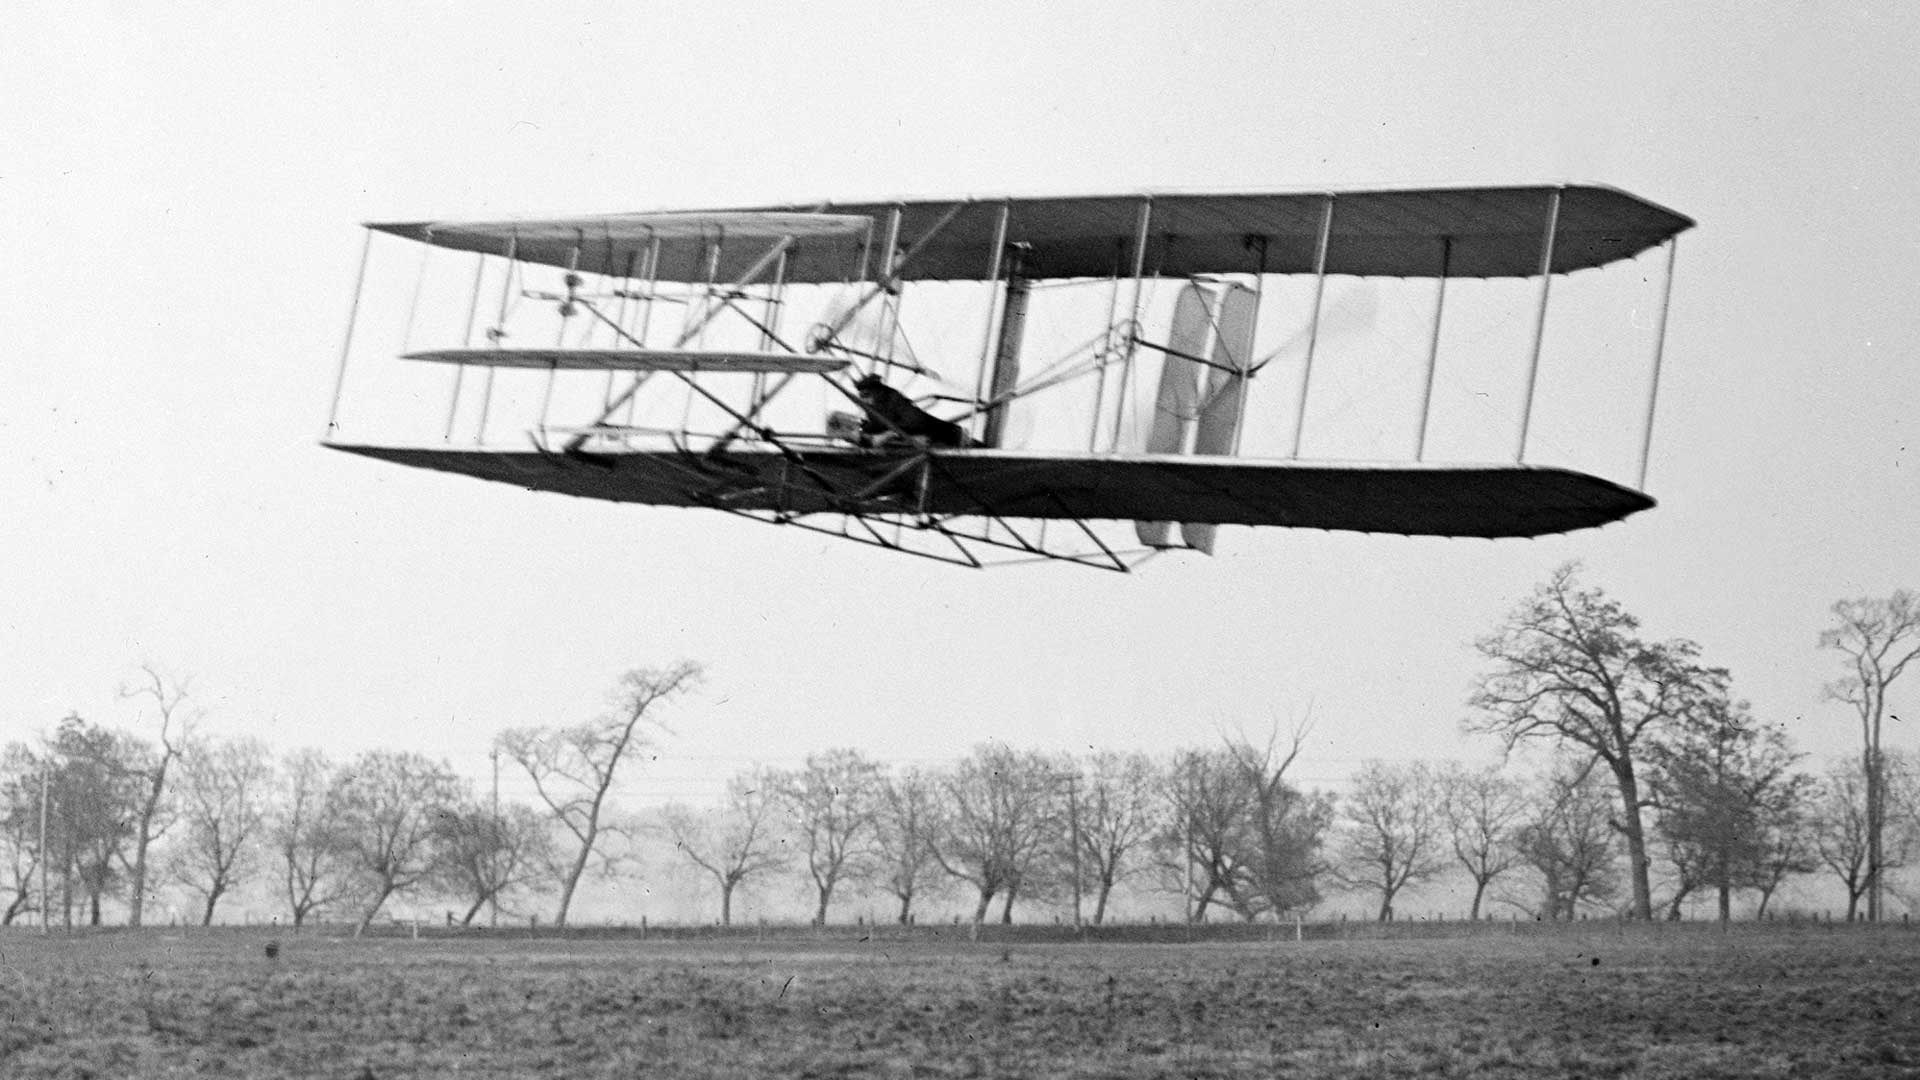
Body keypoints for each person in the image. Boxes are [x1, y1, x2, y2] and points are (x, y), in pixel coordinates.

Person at [853, 375, 970, 448]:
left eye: (867, 395)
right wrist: (862, 428)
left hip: (947, 438)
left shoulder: (895, 399)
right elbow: (878, 424)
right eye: (862, 396)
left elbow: (916, 421)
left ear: (878, 392)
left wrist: (889, 434)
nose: (865, 400)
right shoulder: (873, 407)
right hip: (915, 439)